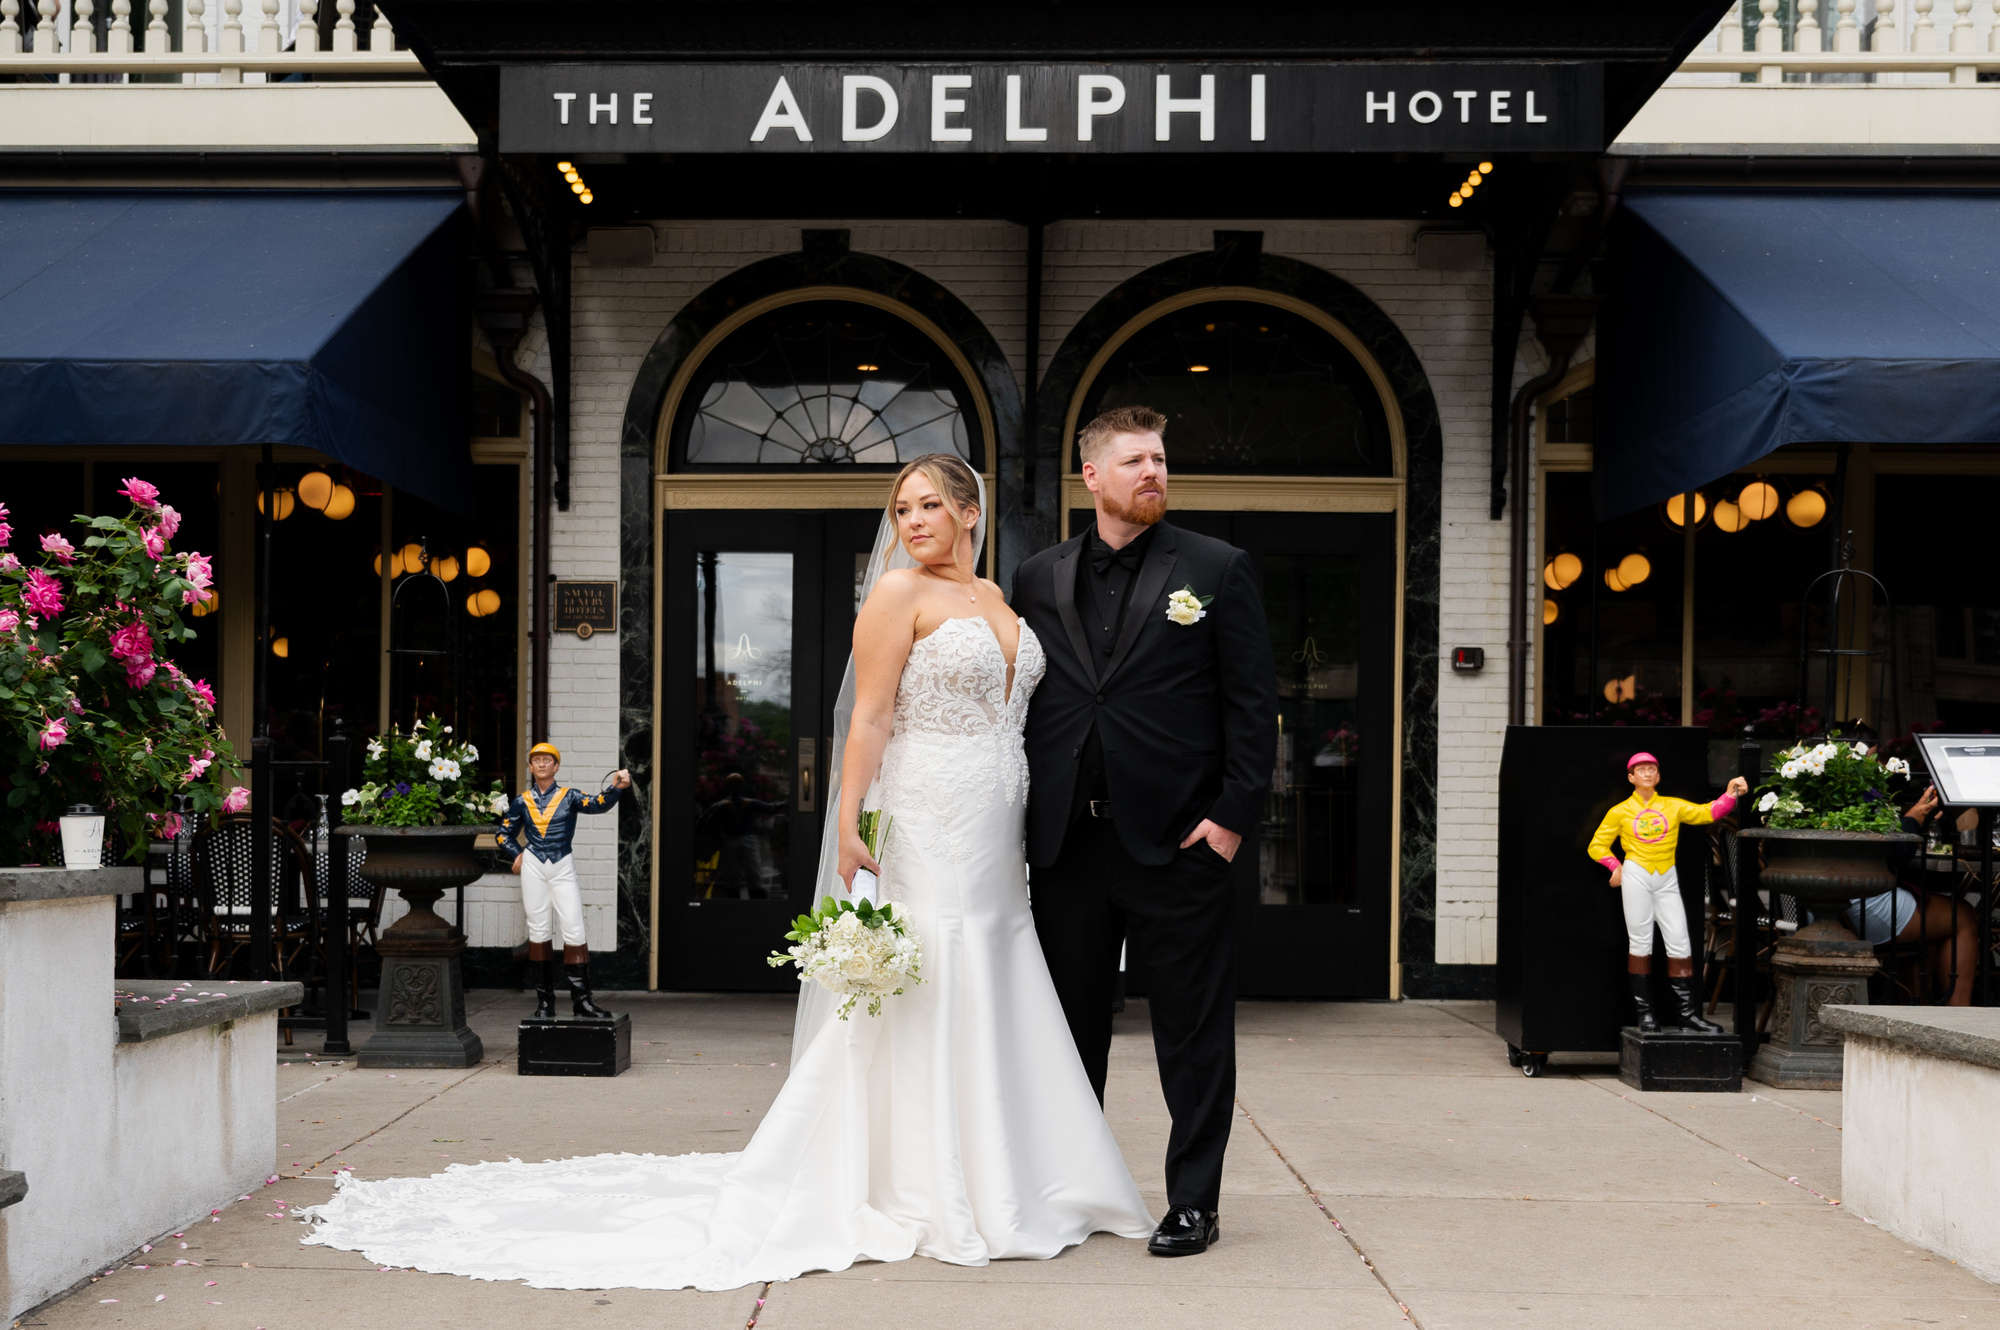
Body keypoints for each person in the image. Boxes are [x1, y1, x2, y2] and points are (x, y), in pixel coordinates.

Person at [301, 454, 1153, 1290]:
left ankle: (1009, 1167)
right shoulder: (898, 593)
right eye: (902, 510)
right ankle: (924, 1179)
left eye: (929, 505)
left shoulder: (1000, 599)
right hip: (928, 810)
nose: (914, 522)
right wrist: (849, 821)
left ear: (972, 512)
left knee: (995, 970)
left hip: (999, 823)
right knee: (929, 973)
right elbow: (870, 716)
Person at [1009, 405, 1279, 1257]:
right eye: (1134, 460)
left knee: (1193, 1032)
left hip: (1181, 845)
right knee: (1068, 1031)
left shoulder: (1215, 568)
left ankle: (1194, 1201)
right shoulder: (1036, 578)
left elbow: (1253, 705)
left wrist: (1232, 819)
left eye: (1160, 458)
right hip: (1066, 848)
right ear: (1092, 476)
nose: (1153, 472)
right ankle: (1073, 1191)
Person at [1588, 752, 1747, 1034]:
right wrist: (1615, 866)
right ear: (1631, 777)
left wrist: (1730, 794)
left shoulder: (1672, 806)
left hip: (1666, 876)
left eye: (1652, 769)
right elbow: (1597, 845)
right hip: (1636, 874)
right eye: (1641, 769)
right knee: (1639, 943)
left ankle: (1687, 1016)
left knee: (1680, 942)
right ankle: (1645, 1016)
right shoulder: (1620, 811)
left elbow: (1706, 812)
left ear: (1658, 776)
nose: (1647, 773)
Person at [496, 742, 631, 1020]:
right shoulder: (522, 801)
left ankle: (582, 1002)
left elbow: (597, 804)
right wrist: (517, 853)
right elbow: (502, 834)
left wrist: (616, 787)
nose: (542, 764)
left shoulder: (569, 796)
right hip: (534, 866)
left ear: (556, 766)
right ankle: (545, 1003)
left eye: (548, 760)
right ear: (530, 767)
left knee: (574, 928)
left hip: (561, 865)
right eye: (537, 760)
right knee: (539, 931)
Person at [1843, 785, 1980, 1005]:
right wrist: (1916, 815)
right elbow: (1893, 854)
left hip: (1821, 909)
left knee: (1937, 921)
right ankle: (1959, 1016)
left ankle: (1919, 1007)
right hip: (1856, 907)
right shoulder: (1856, 790)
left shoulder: (1826, 791)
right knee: (1963, 916)